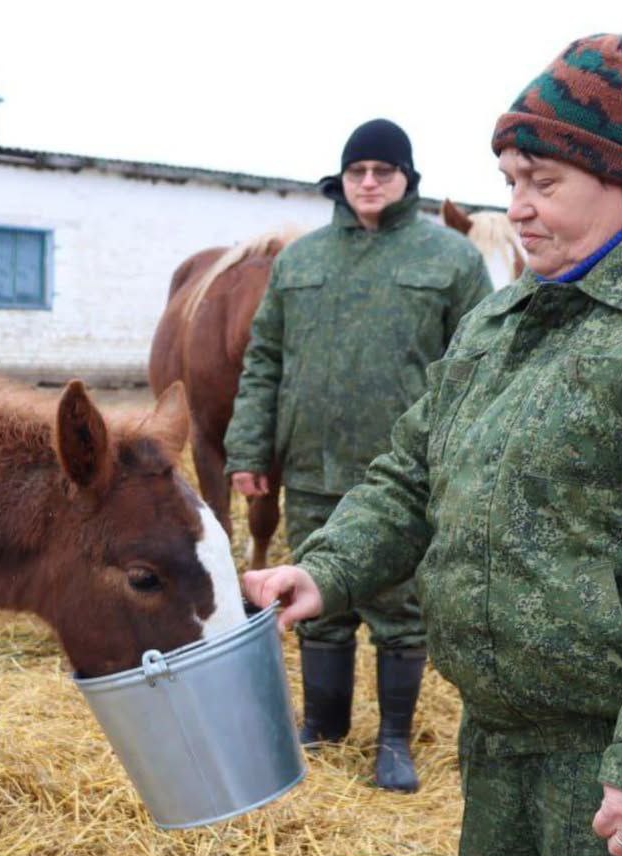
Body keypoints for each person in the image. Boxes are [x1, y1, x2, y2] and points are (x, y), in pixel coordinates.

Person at [244, 33, 622, 856]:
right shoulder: (507, 317)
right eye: (511, 179)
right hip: (504, 734)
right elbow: (411, 473)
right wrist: (325, 567)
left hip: (612, 757)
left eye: (544, 181)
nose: (514, 206)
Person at [224, 118, 492, 792]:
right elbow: (264, 362)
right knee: (317, 602)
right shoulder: (301, 261)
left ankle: (395, 741)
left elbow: (480, 367)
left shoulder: (451, 261)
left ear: (408, 179)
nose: (369, 182)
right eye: (357, 171)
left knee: (400, 612)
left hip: (402, 479)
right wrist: (250, 447)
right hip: (312, 467)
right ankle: (323, 724)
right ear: (341, 181)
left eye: (383, 170)